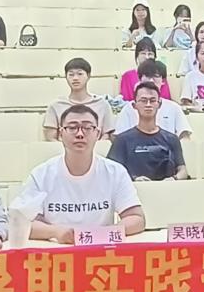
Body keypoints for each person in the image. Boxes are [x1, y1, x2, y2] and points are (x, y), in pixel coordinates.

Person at [12, 104, 146, 243]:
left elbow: (136, 218)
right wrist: (55, 232)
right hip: (56, 249)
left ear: (98, 134)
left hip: (100, 248)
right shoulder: (41, 175)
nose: (80, 134)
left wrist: (104, 233)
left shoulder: (115, 172)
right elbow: (23, 222)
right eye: (72, 128)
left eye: (87, 128)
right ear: (60, 134)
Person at [108, 83, 188, 181]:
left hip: (167, 188)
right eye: (143, 101)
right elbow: (112, 171)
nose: (148, 105)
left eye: (153, 100)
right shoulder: (122, 140)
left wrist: (174, 178)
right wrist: (133, 179)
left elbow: (182, 170)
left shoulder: (172, 139)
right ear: (134, 105)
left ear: (159, 104)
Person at [114, 60, 193, 139]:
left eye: (156, 76)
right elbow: (119, 137)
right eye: (147, 76)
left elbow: (184, 135)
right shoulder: (129, 108)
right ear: (140, 79)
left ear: (163, 81)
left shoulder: (174, 108)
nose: (151, 80)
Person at [44, 58, 115, 140]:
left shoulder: (102, 104)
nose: (75, 78)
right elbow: (51, 137)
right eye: (71, 74)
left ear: (88, 76)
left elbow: (107, 135)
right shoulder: (56, 105)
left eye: (80, 74)